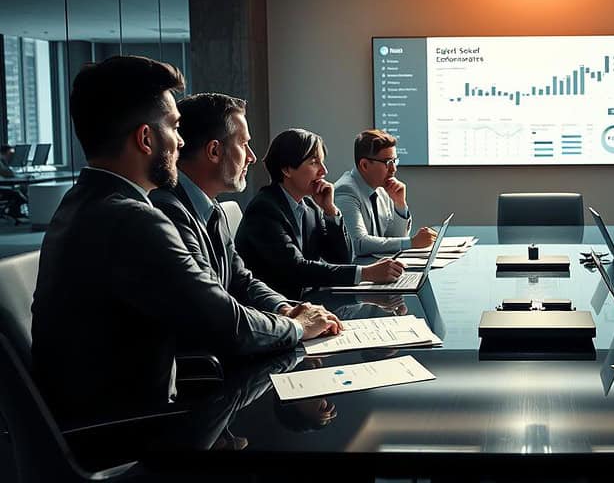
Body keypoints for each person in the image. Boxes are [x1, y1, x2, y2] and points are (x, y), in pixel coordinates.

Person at [31, 56, 341, 423]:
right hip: (130, 431)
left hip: (115, 415)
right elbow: (225, 324)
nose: (180, 141)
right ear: (146, 139)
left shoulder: (86, 202)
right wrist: (298, 326)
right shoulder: (132, 219)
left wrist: (288, 310)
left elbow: (237, 282)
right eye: (175, 127)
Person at [150, 93, 350, 321]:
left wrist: (285, 309)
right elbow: (215, 309)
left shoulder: (212, 209)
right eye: (244, 144)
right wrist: (295, 326)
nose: (252, 157)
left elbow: (242, 279)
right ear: (214, 151)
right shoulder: (168, 212)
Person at [235, 128, 405, 299]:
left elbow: (342, 258)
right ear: (287, 169)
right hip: (276, 309)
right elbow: (296, 269)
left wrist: (330, 211)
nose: (323, 171)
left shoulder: (309, 205)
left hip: (305, 302)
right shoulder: (264, 209)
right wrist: (366, 273)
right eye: (314, 162)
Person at [333, 129, 435, 256]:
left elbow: (394, 237)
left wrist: (400, 204)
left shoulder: (381, 187)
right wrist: (412, 242)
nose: (394, 169)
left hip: (380, 268)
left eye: (394, 161)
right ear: (364, 165)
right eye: (387, 162)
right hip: (361, 272)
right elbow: (358, 243)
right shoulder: (345, 191)